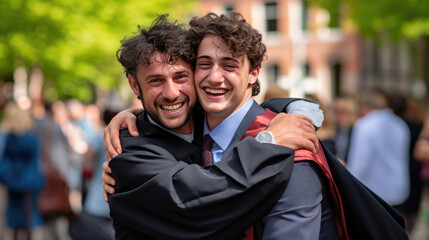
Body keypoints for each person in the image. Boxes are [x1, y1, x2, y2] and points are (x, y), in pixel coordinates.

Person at [103, 13, 347, 239]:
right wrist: (267, 143)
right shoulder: (129, 152)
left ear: (254, 74)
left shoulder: (292, 152)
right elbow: (194, 202)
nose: (171, 93)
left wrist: (300, 110)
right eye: (155, 81)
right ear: (135, 86)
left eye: (180, 77)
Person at [347, 89, 410, 207]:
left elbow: (360, 162)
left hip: (373, 191)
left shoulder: (364, 125)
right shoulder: (400, 124)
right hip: (398, 188)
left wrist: (349, 185)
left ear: (364, 107)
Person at [0, 102, 45, 240]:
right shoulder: (30, 139)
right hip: (29, 181)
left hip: (13, 180)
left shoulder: (8, 138)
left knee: (13, 216)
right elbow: (35, 159)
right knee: (30, 216)